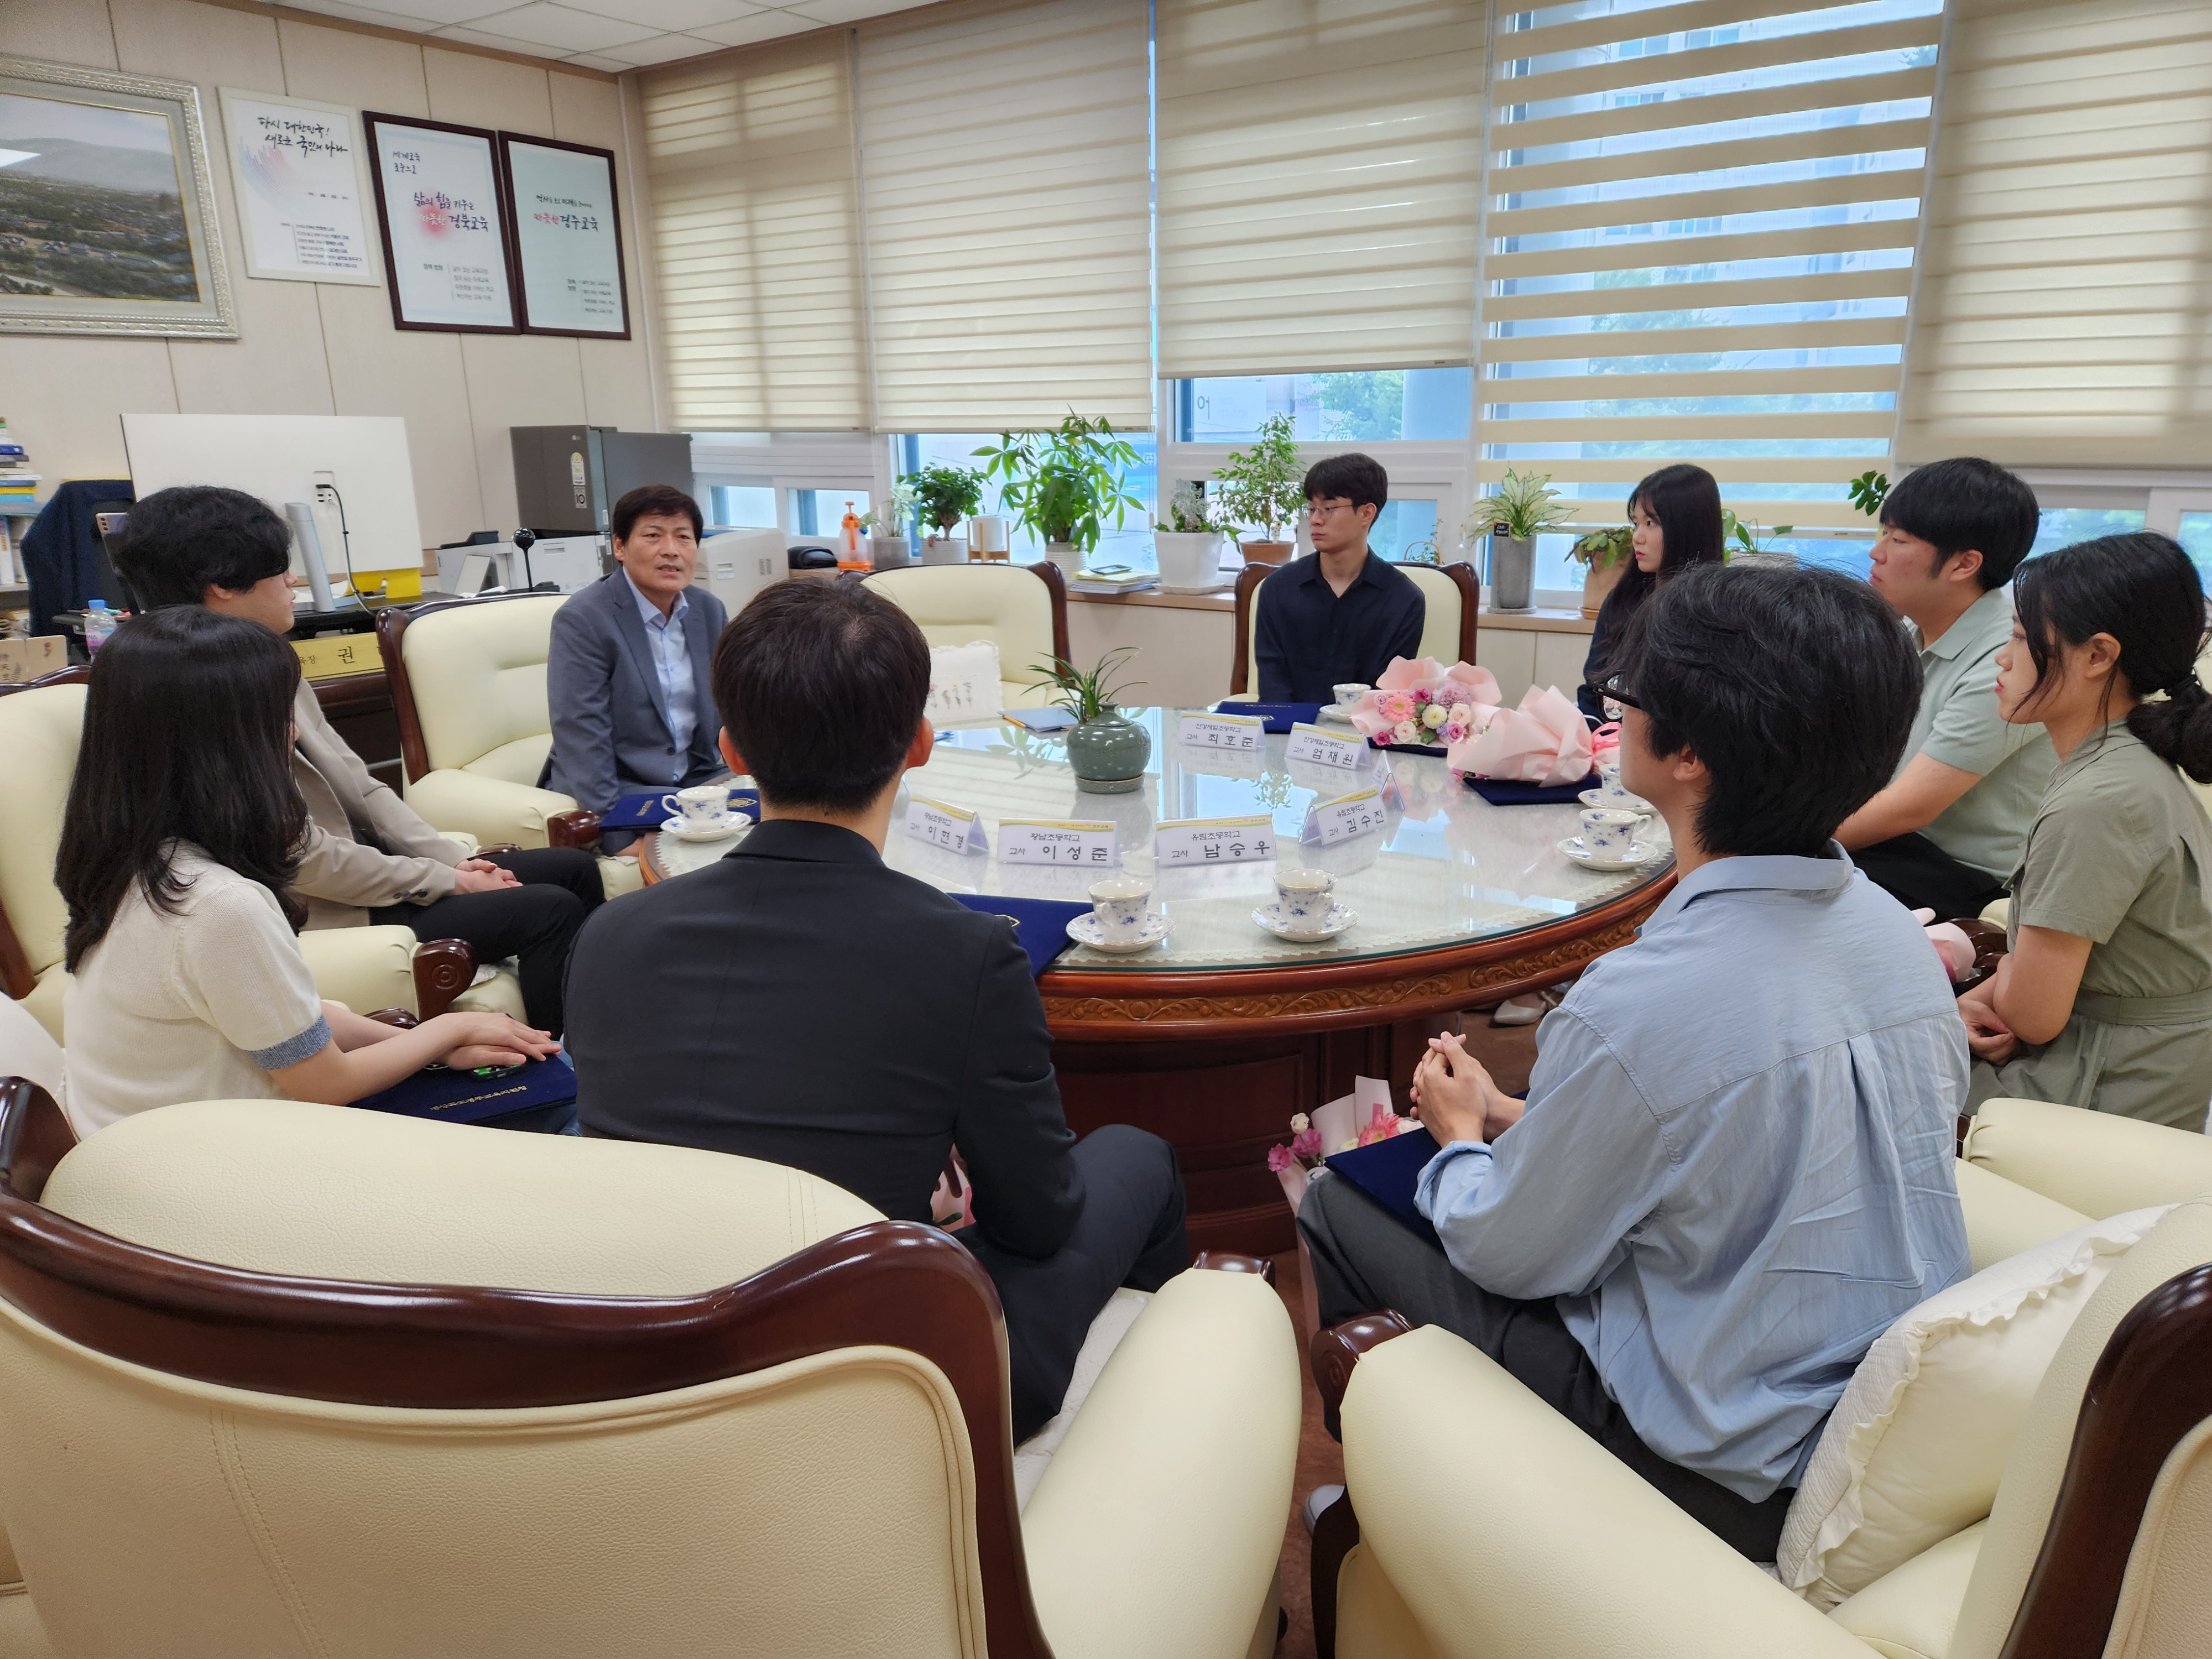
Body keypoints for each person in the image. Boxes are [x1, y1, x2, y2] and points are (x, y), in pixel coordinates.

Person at [1300, 560, 1970, 1562]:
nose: (1611, 715)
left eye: (1624, 696)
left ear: (1689, 751)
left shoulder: (1642, 1000)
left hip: (1724, 1466)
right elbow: (1733, 1142)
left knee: (1341, 1199)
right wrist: (1519, 1116)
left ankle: (1411, 1516)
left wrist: (1459, 1138)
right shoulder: (1892, 936)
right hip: (1888, 1425)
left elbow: (1509, 1253)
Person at [564, 579, 1190, 1443]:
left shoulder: (607, 934)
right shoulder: (966, 952)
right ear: (921, 745)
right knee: (1139, 1155)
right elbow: (1037, 1219)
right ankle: (1137, 1437)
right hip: (878, 1384)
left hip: (655, 1356)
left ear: (732, 750)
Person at [111, 486, 605, 1037]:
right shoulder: (197, 690)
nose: (293, 582)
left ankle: (598, 1036)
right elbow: (300, 858)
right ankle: (557, 1060)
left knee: (574, 869)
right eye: (279, 570)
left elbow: (361, 785)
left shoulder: (269, 661)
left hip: (371, 871)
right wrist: (441, 881)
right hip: (324, 904)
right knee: (549, 911)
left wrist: (455, 865)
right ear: (222, 584)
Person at [57, 608, 561, 1136]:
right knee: (553, 1116)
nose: (293, 732)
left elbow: (286, 1020)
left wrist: (433, 1045)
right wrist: (448, 1031)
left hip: (139, 1140)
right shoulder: (218, 905)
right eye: (277, 719)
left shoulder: (131, 863)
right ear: (221, 749)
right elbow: (327, 1084)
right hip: (210, 1159)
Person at [1959, 533, 2212, 1130]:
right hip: (2129, 1054)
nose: (2002, 659)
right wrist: (1987, 992)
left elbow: (2034, 1017)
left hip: (2103, 1082)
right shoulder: (2121, 763)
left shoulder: (2099, 799)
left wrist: (1994, 987)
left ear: (2098, 656)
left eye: (2019, 638)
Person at [1839, 457, 2053, 920]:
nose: (1876, 552)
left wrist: (1766, 846)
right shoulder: (1911, 631)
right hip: (1896, 850)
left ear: (1964, 564)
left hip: (1973, 880)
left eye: (1898, 540)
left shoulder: (2010, 655)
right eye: (1883, 534)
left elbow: (1909, 809)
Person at [543, 484, 728, 852]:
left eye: (683, 537)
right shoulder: (584, 619)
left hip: (697, 780)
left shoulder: (708, 610)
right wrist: (615, 831)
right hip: (623, 788)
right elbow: (581, 732)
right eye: (653, 536)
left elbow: (732, 708)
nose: (671, 550)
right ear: (620, 546)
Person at [1253, 453, 1425, 702]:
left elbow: (1387, 697)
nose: (1315, 520)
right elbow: (1273, 687)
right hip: (1289, 725)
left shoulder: (1404, 600)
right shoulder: (1278, 589)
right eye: (1311, 509)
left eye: (1328, 509)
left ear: (1366, 513)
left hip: (1365, 727)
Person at [1575, 463, 1724, 723]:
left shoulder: (1715, 614)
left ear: (1688, 527)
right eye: (1636, 523)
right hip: (1606, 739)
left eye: (1651, 523)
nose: (1638, 537)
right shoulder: (1624, 599)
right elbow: (1592, 688)